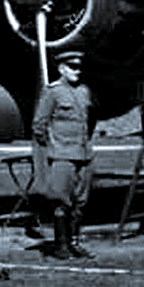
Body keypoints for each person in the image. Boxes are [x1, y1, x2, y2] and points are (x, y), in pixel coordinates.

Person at [31, 50, 97, 259]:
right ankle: (61, 245)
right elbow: (39, 125)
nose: (77, 71)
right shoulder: (53, 92)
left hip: (84, 155)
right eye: (72, 67)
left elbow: (90, 120)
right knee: (61, 201)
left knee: (81, 202)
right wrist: (55, 147)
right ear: (61, 69)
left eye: (79, 67)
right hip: (62, 155)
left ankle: (74, 243)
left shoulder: (85, 92)